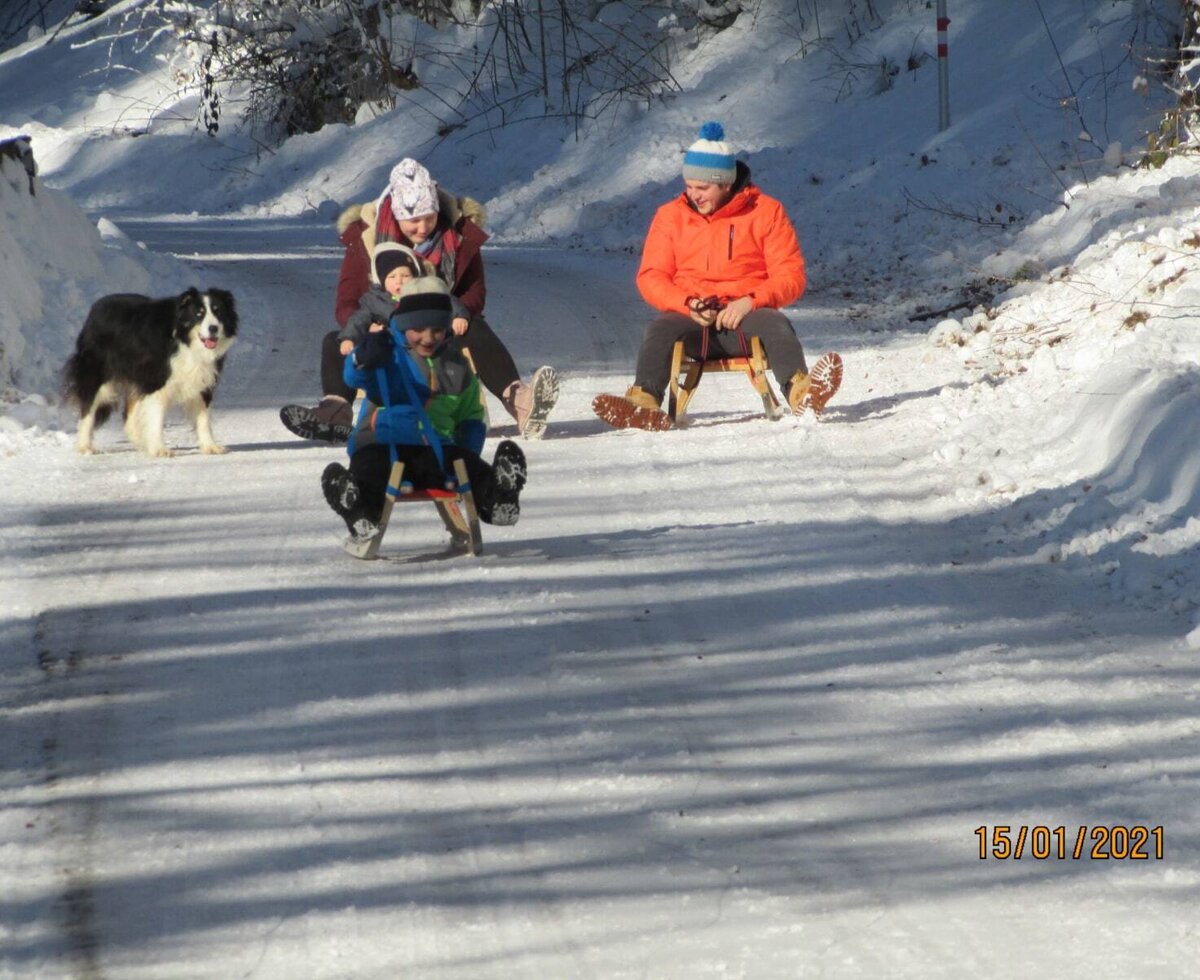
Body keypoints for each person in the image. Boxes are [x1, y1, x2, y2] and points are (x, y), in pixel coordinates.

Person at [283, 157, 559, 443]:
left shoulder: (458, 235)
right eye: (413, 220)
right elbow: (348, 300)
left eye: (430, 217)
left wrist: (455, 315)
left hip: (440, 329)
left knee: (475, 328)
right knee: (335, 340)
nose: (423, 227)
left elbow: (474, 292)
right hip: (386, 331)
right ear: (397, 214)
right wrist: (366, 328)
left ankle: (522, 402)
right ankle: (334, 413)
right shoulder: (367, 238)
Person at [593, 122, 842, 432]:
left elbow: (791, 275)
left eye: (703, 188)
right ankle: (643, 402)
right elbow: (652, 277)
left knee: (777, 325)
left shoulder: (767, 212)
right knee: (659, 330)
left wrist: (751, 302)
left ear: (725, 184)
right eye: (689, 186)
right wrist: (688, 304)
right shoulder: (670, 216)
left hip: (748, 318)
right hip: (692, 320)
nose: (693, 195)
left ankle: (802, 393)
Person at [321, 277, 528, 542]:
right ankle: (360, 511)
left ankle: (498, 500)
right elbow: (356, 378)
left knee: (469, 467)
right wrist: (361, 358)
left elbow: (470, 417)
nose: (428, 337)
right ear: (404, 324)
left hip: (434, 451)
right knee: (370, 471)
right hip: (383, 444)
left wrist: (466, 453)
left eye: (437, 329)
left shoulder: (457, 366)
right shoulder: (386, 353)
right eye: (418, 328)